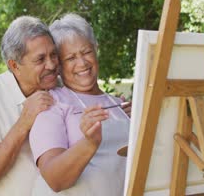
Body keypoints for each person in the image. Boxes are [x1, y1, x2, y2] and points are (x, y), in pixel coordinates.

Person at [29, 13, 130, 195]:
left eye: (86, 52)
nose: (82, 63)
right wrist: (89, 142)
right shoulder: (52, 105)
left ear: (96, 50)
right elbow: (55, 179)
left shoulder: (120, 106)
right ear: (58, 65)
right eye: (70, 58)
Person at [0, 16, 59, 195]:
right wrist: (24, 122)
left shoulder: (61, 88)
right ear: (14, 65)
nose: (52, 64)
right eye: (40, 60)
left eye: (53, 55)